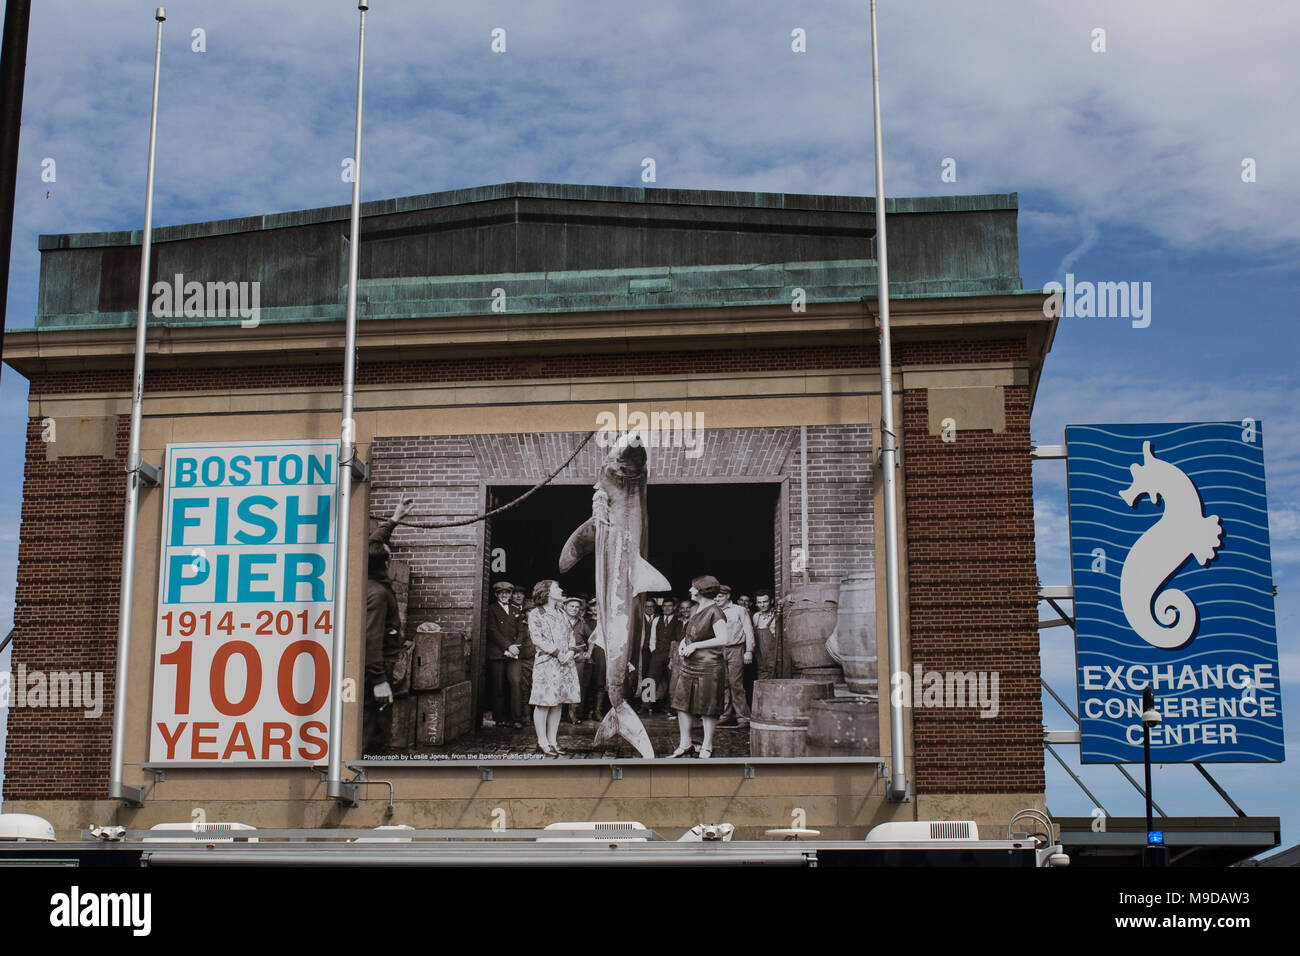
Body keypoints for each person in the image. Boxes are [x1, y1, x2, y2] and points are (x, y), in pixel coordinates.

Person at [364, 496, 414, 756]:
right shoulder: (378, 594)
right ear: (384, 564)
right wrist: (380, 680)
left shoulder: (368, 578)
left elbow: (374, 542)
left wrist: (395, 519)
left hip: (376, 669)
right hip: (377, 669)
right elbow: (370, 639)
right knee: (374, 729)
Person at [667, 575, 730, 759]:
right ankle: (685, 744)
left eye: (693, 588)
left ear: (701, 591)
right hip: (689, 665)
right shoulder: (697, 608)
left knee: (708, 708)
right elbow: (692, 634)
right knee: (682, 704)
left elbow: (723, 639)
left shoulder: (716, 612)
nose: (690, 590)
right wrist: (683, 643)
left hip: (709, 667)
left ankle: (707, 746)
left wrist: (695, 646)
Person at [527, 580, 581, 756]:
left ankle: (553, 741)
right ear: (547, 592)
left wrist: (571, 652)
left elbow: (571, 636)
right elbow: (537, 639)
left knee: (557, 703)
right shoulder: (536, 614)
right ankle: (542, 742)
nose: (561, 589)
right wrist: (558, 653)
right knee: (543, 703)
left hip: (564, 664)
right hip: (547, 664)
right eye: (558, 587)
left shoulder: (562, 613)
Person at [716, 584, 754, 728]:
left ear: (727, 596)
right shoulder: (714, 610)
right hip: (719, 650)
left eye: (720, 596)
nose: (717, 598)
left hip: (735, 649)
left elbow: (748, 631)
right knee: (722, 684)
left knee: (735, 683)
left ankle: (743, 717)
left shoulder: (739, 610)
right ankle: (725, 715)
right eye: (715, 596)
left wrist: (749, 650)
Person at [485, 580, 521, 728]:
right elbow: (492, 631)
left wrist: (516, 646)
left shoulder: (516, 610)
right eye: (501, 593)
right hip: (498, 653)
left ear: (511, 594)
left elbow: (521, 631)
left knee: (515, 683)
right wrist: (508, 646)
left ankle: (516, 719)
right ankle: (499, 718)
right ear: (496, 595)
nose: (504, 595)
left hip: (514, 653)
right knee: (498, 686)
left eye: (507, 593)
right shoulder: (491, 609)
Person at [563, 595, 593, 724]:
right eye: (571, 606)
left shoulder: (582, 623)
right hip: (561, 658)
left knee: (576, 686)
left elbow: (592, 638)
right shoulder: (559, 620)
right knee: (560, 685)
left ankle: (572, 714)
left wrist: (588, 653)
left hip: (577, 659)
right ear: (565, 607)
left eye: (576, 607)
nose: (574, 609)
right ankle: (560, 714)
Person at [645, 595, 676, 714]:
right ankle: (647, 706)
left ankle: (671, 708)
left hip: (671, 655)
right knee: (650, 679)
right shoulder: (657, 620)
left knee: (671, 680)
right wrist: (653, 650)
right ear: (662, 608)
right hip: (657, 653)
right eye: (665, 606)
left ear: (674, 607)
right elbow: (653, 637)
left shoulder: (677, 620)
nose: (667, 608)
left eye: (670, 606)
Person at [511, 587, 534, 725]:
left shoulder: (540, 627)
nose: (532, 614)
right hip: (524, 661)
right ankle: (525, 717)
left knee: (535, 688)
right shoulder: (522, 627)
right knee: (524, 689)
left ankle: (534, 716)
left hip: (537, 661)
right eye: (529, 612)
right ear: (525, 614)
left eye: (533, 611)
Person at [752, 591, 779, 682]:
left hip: (773, 653)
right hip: (760, 654)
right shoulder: (756, 617)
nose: (762, 605)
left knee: (775, 674)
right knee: (762, 674)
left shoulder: (776, 616)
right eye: (759, 602)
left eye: (765, 602)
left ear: (771, 601)